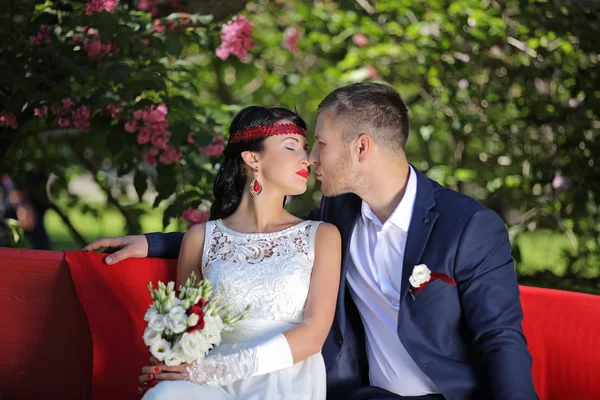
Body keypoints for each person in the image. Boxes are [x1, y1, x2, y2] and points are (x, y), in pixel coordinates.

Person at [86, 83, 538, 400]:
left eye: (319, 144)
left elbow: (500, 339)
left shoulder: (469, 227)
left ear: (362, 148)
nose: (312, 157)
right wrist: (154, 243)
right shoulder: (339, 215)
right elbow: (253, 240)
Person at [136, 106, 340, 399]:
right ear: (252, 157)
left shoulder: (321, 236)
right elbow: (187, 334)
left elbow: (314, 335)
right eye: (291, 147)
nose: (306, 159)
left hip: (285, 379)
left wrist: (219, 369)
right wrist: (168, 364)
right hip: (210, 382)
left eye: (305, 149)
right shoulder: (200, 239)